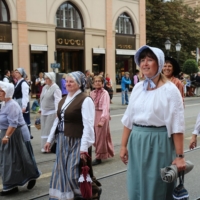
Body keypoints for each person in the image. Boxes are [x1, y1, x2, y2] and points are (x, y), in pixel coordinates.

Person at [120, 45, 186, 200]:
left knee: (156, 187)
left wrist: (180, 155)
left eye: (150, 60)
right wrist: (123, 146)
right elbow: (128, 118)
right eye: (142, 60)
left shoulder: (170, 90)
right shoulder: (137, 88)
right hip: (136, 141)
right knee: (136, 184)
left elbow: (177, 125)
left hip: (159, 142)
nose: (145, 64)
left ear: (159, 64)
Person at [44, 71, 101, 200]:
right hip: (62, 140)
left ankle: (93, 192)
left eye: (71, 82)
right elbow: (57, 121)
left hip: (77, 140)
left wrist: (84, 147)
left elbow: (88, 125)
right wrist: (49, 139)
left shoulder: (85, 100)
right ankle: (69, 197)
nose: (68, 84)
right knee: (61, 172)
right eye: (67, 81)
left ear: (79, 84)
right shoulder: (64, 99)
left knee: (73, 173)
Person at [0, 81, 40, 196]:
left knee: (19, 159)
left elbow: (13, 124)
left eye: (1, 91)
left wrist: (6, 136)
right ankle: (13, 183)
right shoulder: (4, 104)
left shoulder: (12, 105)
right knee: (14, 160)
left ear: (7, 92)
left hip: (16, 134)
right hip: (8, 134)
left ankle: (28, 176)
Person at [90, 75, 114, 165]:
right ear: (93, 83)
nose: (97, 82)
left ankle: (99, 157)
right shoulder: (92, 93)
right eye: (95, 81)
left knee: (100, 137)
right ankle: (106, 152)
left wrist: (102, 120)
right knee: (94, 137)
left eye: (99, 81)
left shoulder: (105, 93)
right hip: (93, 115)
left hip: (102, 115)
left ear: (102, 83)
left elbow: (105, 107)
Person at [40, 72, 61, 153]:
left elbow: (57, 101)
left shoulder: (56, 88)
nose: (45, 80)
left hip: (52, 112)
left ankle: (49, 147)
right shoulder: (45, 87)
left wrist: (57, 112)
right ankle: (43, 146)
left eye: (47, 78)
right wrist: (41, 108)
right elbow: (42, 98)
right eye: (45, 78)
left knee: (48, 129)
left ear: (51, 79)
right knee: (43, 129)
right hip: (44, 111)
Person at [13, 68, 33, 139]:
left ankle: (27, 136)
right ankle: (21, 136)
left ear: (21, 74)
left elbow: (25, 96)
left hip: (22, 103)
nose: (15, 73)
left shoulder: (23, 83)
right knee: (20, 120)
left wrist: (24, 106)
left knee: (24, 120)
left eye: (17, 72)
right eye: (15, 72)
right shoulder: (18, 82)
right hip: (17, 102)